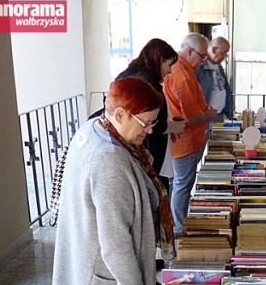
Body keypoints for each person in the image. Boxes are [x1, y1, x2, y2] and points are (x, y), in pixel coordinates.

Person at [50, 76, 175, 285]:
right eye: (146, 123)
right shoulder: (109, 160)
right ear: (120, 114)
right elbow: (115, 236)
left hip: (88, 252)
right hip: (101, 262)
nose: (149, 131)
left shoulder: (97, 129)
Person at [89, 38, 185, 191]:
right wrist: (171, 127)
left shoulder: (131, 73)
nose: (170, 71)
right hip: (147, 150)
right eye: (169, 64)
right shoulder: (146, 82)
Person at [163, 33, 219, 237]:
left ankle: (176, 224)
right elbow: (193, 115)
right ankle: (178, 228)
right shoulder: (182, 75)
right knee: (182, 185)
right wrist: (209, 114)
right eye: (202, 56)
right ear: (189, 51)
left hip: (187, 140)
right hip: (185, 142)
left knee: (179, 184)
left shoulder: (183, 71)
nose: (203, 61)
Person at [196, 36, 233, 133]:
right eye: (223, 52)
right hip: (205, 117)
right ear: (213, 49)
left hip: (219, 115)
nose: (225, 56)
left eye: (226, 53)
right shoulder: (199, 67)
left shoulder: (219, 66)